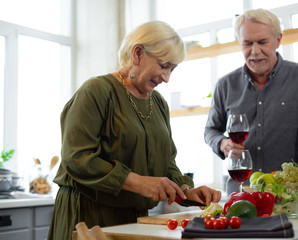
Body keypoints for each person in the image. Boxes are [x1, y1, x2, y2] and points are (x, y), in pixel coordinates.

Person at [48, 21, 221, 240]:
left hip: (133, 218)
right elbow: (77, 158)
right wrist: (139, 182)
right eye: (163, 65)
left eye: (172, 69)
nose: (167, 77)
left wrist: (186, 191)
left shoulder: (158, 103)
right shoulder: (96, 91)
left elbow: (166, 162)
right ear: (137, 53)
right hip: (87, 215)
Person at [204, 9, 298, 211]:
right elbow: (210, 131)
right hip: (241, 197)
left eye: (262, 42)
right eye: (247, 43)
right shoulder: (225, 84)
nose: (255, 51)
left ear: (278, 40)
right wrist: (222, 142)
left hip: (290, 200)